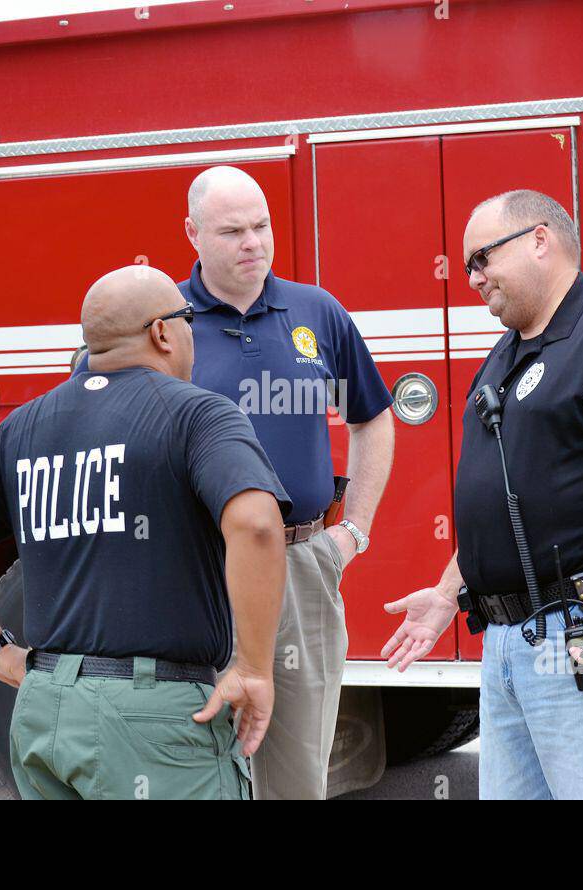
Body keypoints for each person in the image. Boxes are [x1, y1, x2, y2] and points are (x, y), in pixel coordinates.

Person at [0, 265, 291, 800]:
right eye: (189, 321)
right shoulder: (198, 413)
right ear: (162, 332)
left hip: (44, 715)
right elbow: (256, 523)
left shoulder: (25, 424)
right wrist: (254, 668)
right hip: (153, 720)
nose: (193, 336)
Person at [382, 190, 583, 800]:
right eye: (469, 266)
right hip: (508, 640)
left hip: (581, 629)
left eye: (482, 259)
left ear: (539, 239)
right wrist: (445, 594)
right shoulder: (504, 355)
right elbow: (511, 499)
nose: (472, 278)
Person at [182, 165, 395, 799]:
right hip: (197, 568)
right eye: (231, 231)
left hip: (302, 564)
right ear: (191, 233)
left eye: (262, 226)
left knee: (297, 771)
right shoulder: (165, 323)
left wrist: (351, 532)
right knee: (193, 759)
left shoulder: (316, 312)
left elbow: (373, 418)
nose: (253, 242)